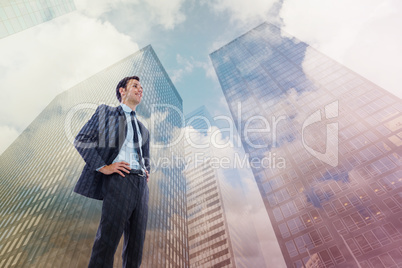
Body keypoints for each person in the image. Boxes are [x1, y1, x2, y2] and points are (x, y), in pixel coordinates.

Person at [74, 76, 150, 268]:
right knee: (107, 242)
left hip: (141, 187)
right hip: (119, 181)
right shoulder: (106, 112)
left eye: (141, 87)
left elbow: (146, 157)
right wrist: (104, 167)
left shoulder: (143, 128)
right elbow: (81, 139)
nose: (140, 89)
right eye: (135, 86)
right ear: (122, 91)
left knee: (136, 248)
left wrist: (146, 170)